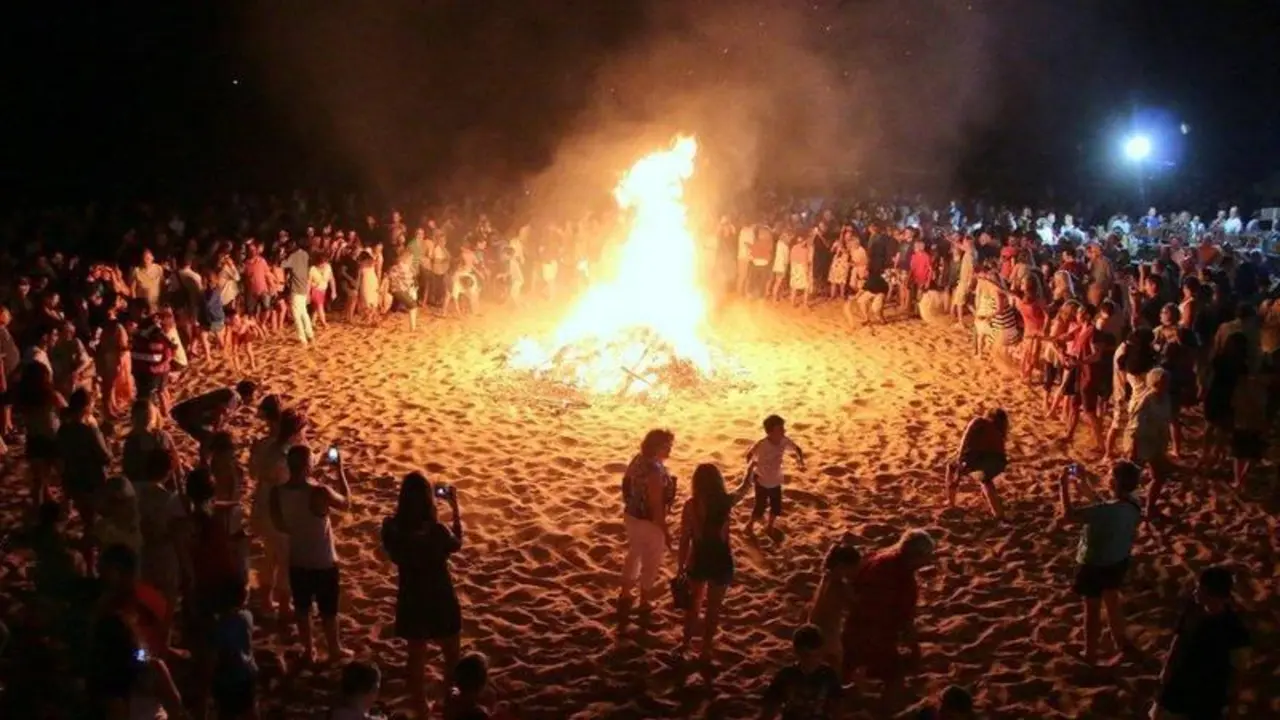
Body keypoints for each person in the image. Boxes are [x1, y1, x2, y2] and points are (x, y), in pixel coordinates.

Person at [381, 472, 464, 718]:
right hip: (439, 595)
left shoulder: (392, 529)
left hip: (411, 596)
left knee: (416, 656)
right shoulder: (437, 531)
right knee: (451, 653)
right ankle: (449, 703)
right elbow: (457, 543)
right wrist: (455, 509)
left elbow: (392, 551)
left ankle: (421, 708)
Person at [269, 444, 352, 664]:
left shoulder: (276, 493)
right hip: (323, 561)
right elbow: (346, 504)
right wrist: (340, 471)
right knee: (328, 610)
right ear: (308, 466)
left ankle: (308, 650)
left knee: (302, 608)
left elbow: (279, 525)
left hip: (298, 559)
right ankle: (334, 648)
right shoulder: (319, 491)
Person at [1058, 461, 1142, 664]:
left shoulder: (1104, 511)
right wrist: (1084, 482)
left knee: (1092, 608)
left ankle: (1090, 653)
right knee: (1112, 601)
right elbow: (1104, 505)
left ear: (1114, 482)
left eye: (1110, 475)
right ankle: (1121, 642)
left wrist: (1063, 486)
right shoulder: (1133, 503)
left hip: (1094, 564)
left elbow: (1069, 516)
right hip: (1118, 561)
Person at [842, 529, 935, 705]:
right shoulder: (904, 581)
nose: (929, 560)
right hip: (874, 636)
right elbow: (905, 622)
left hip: (852, 627)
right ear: (917, 557)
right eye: (927, 556)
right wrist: (915, 651)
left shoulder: (878, 557)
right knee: (895, 674)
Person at [676, 463, 752, 670]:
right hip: (721, 559)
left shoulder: (690, 506)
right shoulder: (725, 502)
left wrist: (680, 567)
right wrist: (749, 471)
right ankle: (706, 649)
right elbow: (744, 490)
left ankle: (685, 645)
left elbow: (684, 539)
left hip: (699, 559)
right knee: (713, 608)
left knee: (693, 606)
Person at [1150, 566, 1251, 720]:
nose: (1195, 592)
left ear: (1214, 595)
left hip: (1208, 692)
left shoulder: (1234, 629)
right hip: (1180, 681)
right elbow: (1178, 640)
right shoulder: (1192, 610)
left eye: (1200, 589)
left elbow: (1238, 669)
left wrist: (1233, 704)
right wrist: (1167, 669)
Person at [616, 429, 677, 623]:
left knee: (634, 554)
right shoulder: (655, 472)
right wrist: (665, 531)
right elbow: (656, 505)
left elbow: (626, 484)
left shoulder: (638, 460)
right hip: (648, 522)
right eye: (667, 446)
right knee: (651, 561)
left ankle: (625, 593)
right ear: (657, 447)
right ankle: (644, 601)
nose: (670, 450)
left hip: (631, 516)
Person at [56, 387, 111, 563]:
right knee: (93, 523)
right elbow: (104, 457)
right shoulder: (89, 430)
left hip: (73, 480)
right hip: (92, 480)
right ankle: (92, 562)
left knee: (87, 519)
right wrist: (107, 441)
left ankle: (89, 561)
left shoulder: (63, 430)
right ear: (87, 407)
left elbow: (60, 456)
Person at [759, 625, 842, 720]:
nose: (811, 660)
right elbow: (769, 711)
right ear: (797, 652)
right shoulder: (786, 675)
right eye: (806, 655)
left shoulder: (828, 675)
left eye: (817, 655)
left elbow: (837, 709)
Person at [14, 359, 64, 510]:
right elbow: (66, 410)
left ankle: (38, 511)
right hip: (52, 438)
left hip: (34, 439)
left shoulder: (23, 398)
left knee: (39, 482)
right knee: (64, 475)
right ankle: (65, 508)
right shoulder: (51, 395)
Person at [744, 414, 807, 534]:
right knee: (760, 507)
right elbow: (749, 455)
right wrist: (752, 467)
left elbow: (797, 448)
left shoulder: (784, 441)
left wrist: (800, 460)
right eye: (780, 429)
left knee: (776, 506)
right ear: (770, 432)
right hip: (761, 480)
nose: (784, 431)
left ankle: (769, 526)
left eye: (783, 428)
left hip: (776, 481)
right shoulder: (762, 444)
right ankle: (750, 525)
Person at [944, 408, 1009, 520]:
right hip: (998, 464)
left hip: (977, 461)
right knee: (985, 480)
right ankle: (998, 513)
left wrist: (958, 473)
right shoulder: (999, 432)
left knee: (951, 466)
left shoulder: (979, 421)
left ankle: (951, 502)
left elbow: (964, 443)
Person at [1126, 368, 1174, 517]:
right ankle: (1127, 507)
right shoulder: (1146, 399)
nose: (1166, 385)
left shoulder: (1165, 398)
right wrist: (1133, 448)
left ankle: (1150, 507)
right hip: (1142, 440)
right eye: (1163, 382)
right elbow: (1136, 424)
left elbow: (1167, 420)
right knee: (1132, 477)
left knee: (1159, 476)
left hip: (1157, 441)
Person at [808, 540, 862, 671]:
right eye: (854, 568)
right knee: (834, 663)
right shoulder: (840, 587)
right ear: (842, 566)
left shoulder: (826, 577)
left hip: (814, 625)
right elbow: (855, 603)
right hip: (829, 632)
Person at [170, 379, 257, 456]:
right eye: (253, 395)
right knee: (210, 439)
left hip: (185, 413)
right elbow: (220, 412)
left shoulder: (231, 394)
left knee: (209, 439)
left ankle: (206, 461)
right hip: (188, 415)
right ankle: (205, 463)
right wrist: (216, 430)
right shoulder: (234, 397)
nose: (254, 398)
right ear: (248, 394)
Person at [282, 238, 315, 346]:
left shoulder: (293, 256)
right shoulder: (305, 254)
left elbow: (283, 264)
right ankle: (310, 335)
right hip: (304, 287)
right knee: (304, 313)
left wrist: (282, 254)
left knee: (296, 315)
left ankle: (303, 339)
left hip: (296, 289)